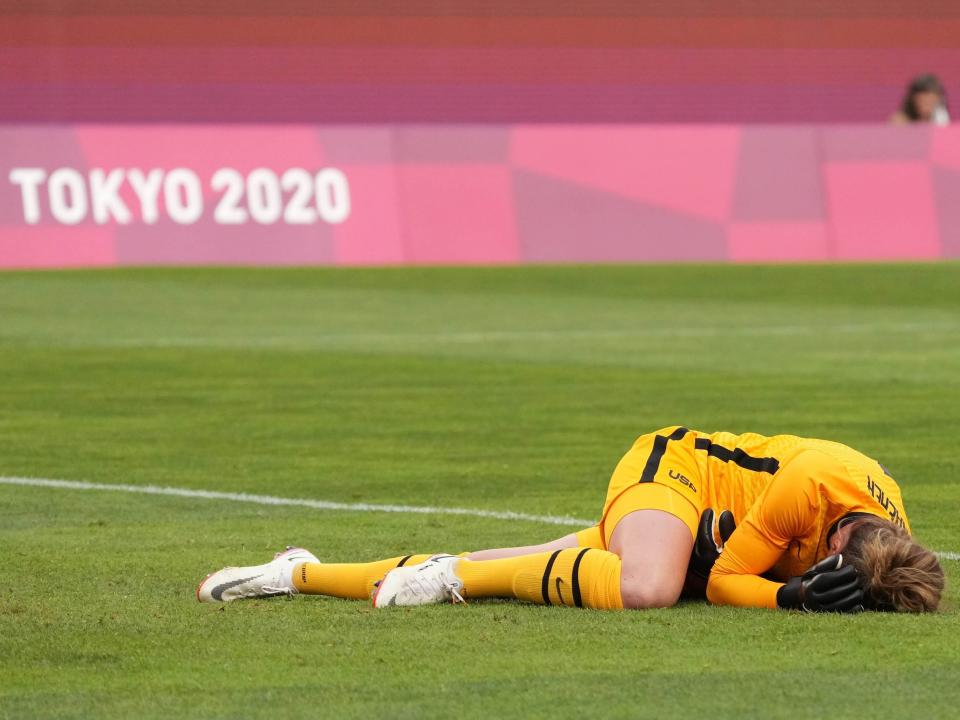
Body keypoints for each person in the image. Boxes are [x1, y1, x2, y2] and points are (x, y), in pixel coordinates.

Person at [197, 426, 945, 613]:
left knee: (533, 553)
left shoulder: (887, 539)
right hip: (676, 469)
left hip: (701, 525)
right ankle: (452, 580)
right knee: (651, 587)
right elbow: (724, 585)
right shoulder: (814, 487)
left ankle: (295, 572)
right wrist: (789, 596)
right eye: (829, 562)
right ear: (842, 532)